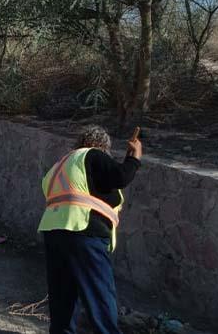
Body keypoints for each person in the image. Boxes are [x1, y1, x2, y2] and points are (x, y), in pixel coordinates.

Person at [38, 125, 142, 334]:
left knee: (63, 294)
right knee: (99, 294)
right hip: (84, 231)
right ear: (103, 146)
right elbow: (120, 177)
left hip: (54, 231)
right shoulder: (93, 155)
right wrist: (134, 158)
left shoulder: (60, 165)